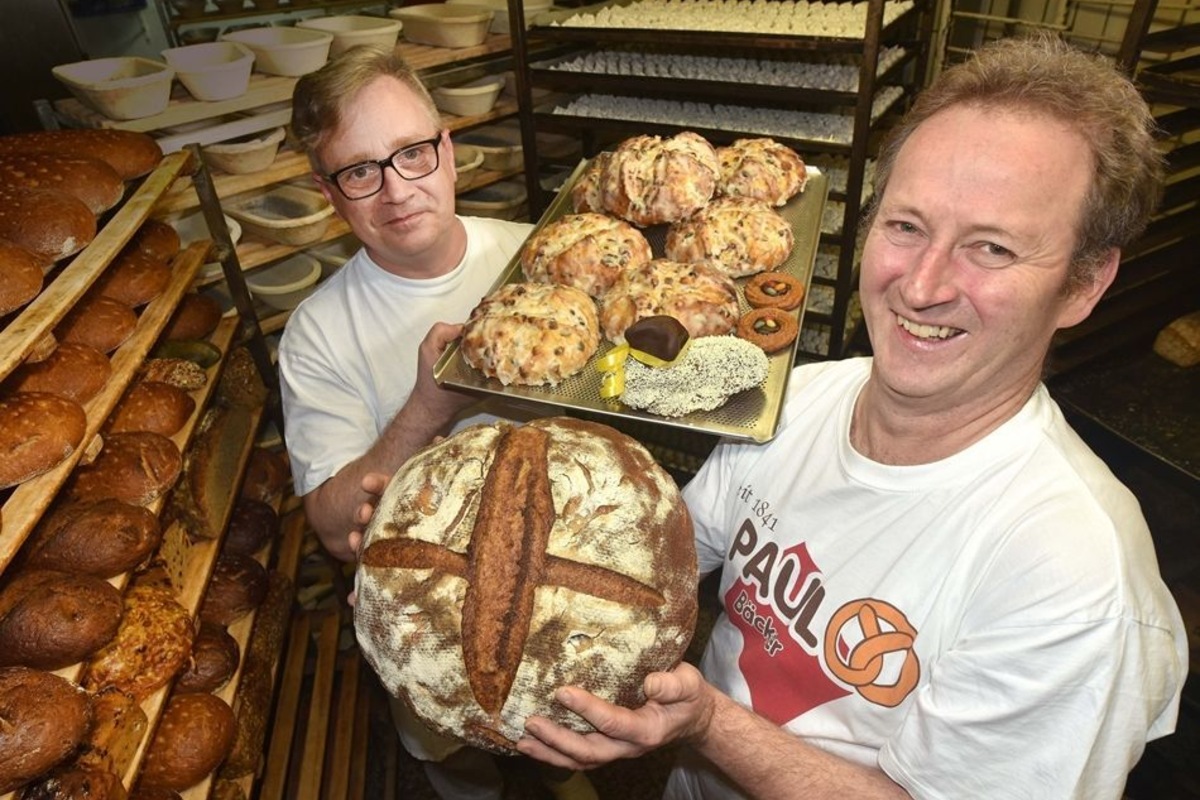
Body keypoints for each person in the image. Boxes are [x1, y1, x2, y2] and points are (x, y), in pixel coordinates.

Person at [510, 34, 1190, 799]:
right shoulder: (802, 401)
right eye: (906, 226)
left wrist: (708, 724)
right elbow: (666, 553)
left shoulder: (1073, 581)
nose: (922, 285)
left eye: (991, 248)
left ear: (1083, 286)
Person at [279, 47, 595, 800]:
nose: (396, 190)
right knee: (452, 748)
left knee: (567, 733)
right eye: (361, 171)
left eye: (412, 154)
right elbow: (329, 523)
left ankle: (565, 777)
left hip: (571, 571)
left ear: (447, 152)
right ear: (331, 194)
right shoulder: (319, 331)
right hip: (436, 607)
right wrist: (433, 401)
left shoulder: (537, 259)